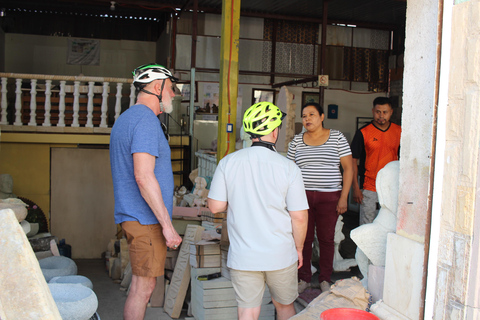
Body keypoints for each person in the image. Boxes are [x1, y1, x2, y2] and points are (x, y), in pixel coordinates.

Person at [207, 102, 308, 320]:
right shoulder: (289, 168)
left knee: (248, 311)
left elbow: (215, 206)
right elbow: (299, 216)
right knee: (284, 307)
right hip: (280, 254)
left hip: (244, 256)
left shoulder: (228, 162)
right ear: (274, 131)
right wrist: (299, 248)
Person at [109, 63, 183, 320]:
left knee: (144, 285)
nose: (173, 94)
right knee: (144, 287)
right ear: (156, 87)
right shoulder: (146, 121)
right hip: (146, 220)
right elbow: (143, 176)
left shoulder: (127, 119)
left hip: (137, 217)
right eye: (170, 88)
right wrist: (167, 225)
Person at [287, 102, 353, 294]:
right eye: (304, 115)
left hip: (330, 197)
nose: (307, 119)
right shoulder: (297, 141)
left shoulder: (337, 137)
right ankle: (304, 278)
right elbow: (289, 172)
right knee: (303, 239)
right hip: (302, 198)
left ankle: (325, 278)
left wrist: (343, 197)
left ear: (322, 117)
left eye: (312, 114)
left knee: (326, 239)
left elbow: (348, 168)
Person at [351, 97, 401, 225]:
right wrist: (356, 188)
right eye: (378, 112)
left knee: (389, 224)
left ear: (391, 112)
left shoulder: (399, 131)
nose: (381, 116)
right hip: (369, 187)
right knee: (367, 225)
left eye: (385, 112)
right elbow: (352, 160)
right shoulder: (363, 132)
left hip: (392, 186)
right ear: (373, 111)